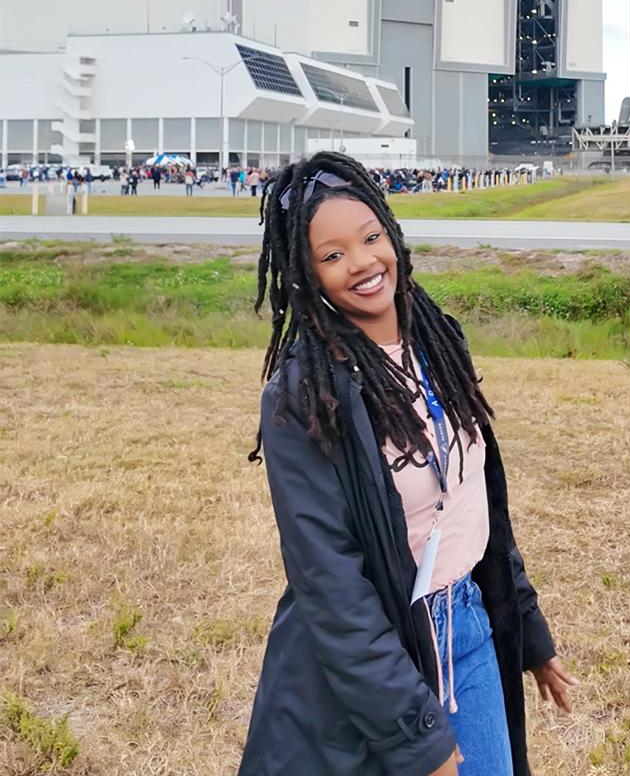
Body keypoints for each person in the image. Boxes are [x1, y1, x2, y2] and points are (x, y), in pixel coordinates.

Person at [238, 152, 576, 776]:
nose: (363, 263)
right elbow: (331, 587)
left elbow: (479, 507)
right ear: (305, 274)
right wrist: (417, 737)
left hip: (467, 626)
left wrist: (527, 630)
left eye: (371, 238)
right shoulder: (303, 397)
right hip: (376, 659)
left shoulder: (438, 343)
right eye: (333, 254)